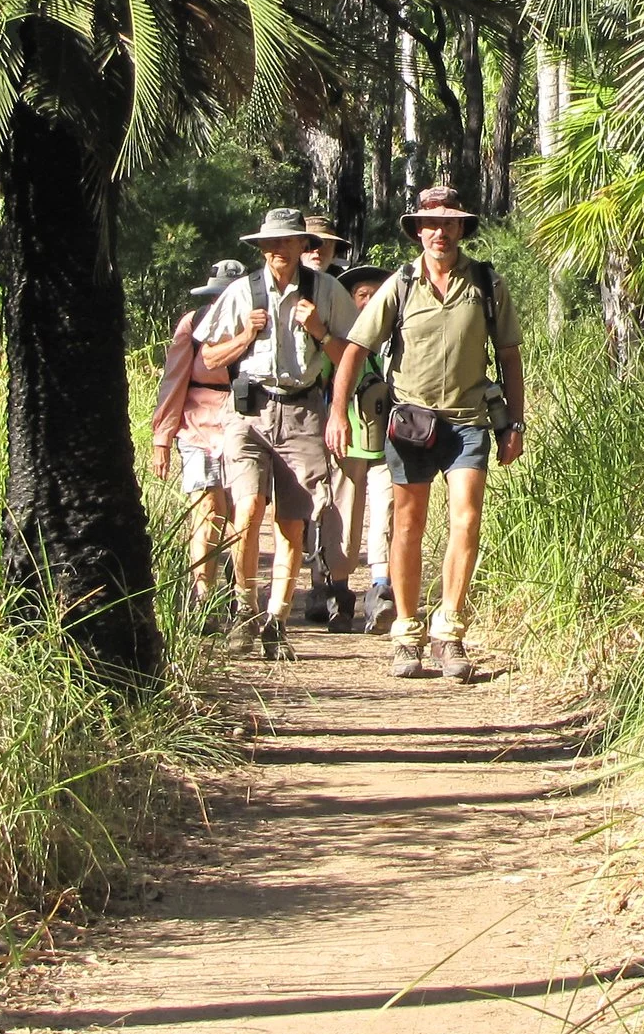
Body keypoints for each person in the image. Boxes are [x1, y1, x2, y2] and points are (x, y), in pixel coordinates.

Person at [325, 185, 525, 682]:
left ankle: (450, 633)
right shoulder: (399, 285)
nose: (440, 232)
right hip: (411, 423)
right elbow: (354, 349)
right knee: (408, 525)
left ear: (462, 228)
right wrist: (336, 412)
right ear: (417, 230)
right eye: (430, 224)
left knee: (466, 520)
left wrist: (515, 424)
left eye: (449, 223)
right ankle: (407, 635)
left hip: (469, 422)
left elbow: (510, 356)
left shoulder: (486, 283)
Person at [199, 208, 362, 652]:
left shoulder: (326, 290)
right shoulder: (241, 293)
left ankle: (276, 618)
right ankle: (243, 608)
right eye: (269, 244)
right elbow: (211, 358)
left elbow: (352, 352)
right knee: (247, 510)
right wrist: (244, 338)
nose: (276, 250)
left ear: (301, 245)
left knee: (293, 522)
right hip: (249, 411)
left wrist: (319, 330)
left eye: (286, 242)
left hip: (303, 412)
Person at [148, 259, 251, 618]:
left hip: (244, 424)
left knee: (243, 513)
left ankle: (242, 595)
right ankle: (202, 597)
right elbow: (174, 380)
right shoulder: (193, 325)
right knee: (206, 509)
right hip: (198, 427)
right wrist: (162, 437)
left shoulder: (259, 324)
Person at [333, 263, 396, 631]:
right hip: (349, 438)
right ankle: (338, 591)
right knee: (345, 512)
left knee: (385, 511)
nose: (370, 301)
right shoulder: (338, 338)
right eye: (362, 295)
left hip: (391, 439)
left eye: (376, 294)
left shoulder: (397, 339)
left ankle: (381, 588)